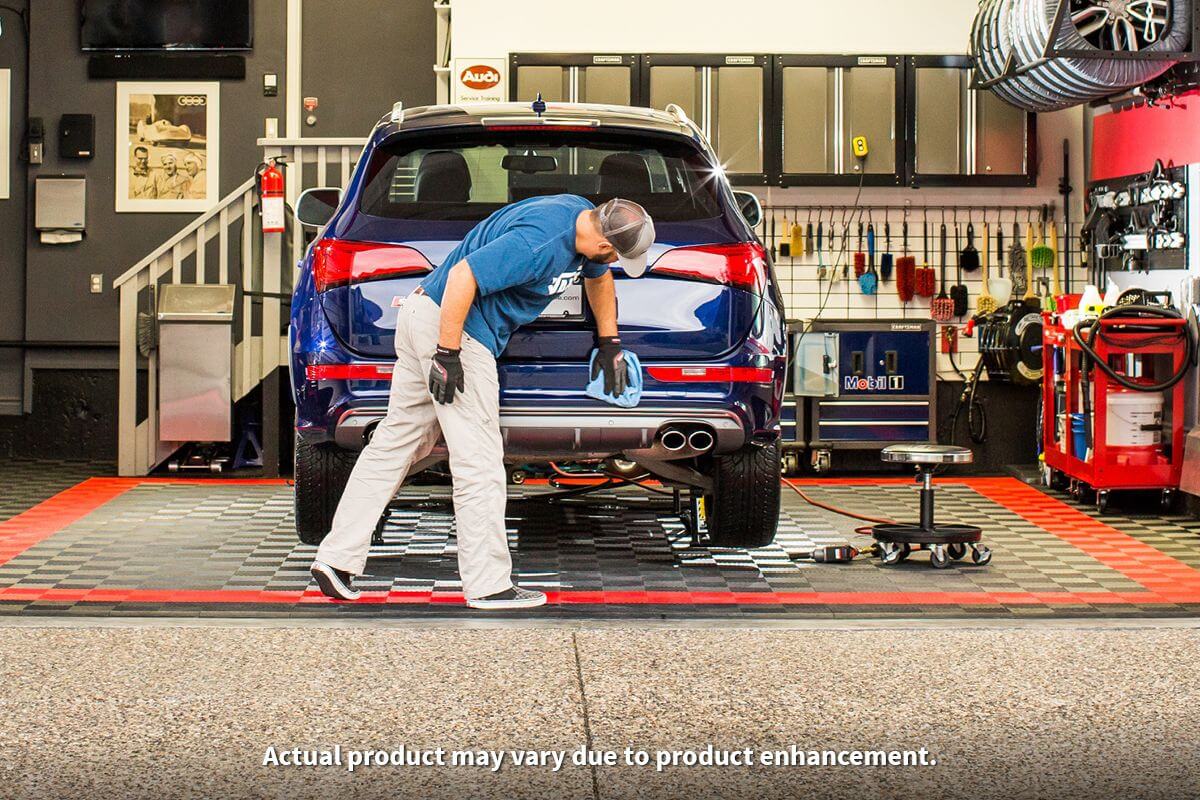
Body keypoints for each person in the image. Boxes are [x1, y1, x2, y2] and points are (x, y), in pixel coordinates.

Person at [310, 195, 655, 609]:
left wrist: (609, 341)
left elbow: (599, 279)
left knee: (395, 442)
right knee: (479, 458)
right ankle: (488, 585)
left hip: (423, 315)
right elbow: (463, 275)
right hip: (455, 330)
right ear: (605, 244)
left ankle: (335, 559)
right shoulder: (538, 245)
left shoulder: (583, 215)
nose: (613, 261)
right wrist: (447, 353)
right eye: (617, 255)